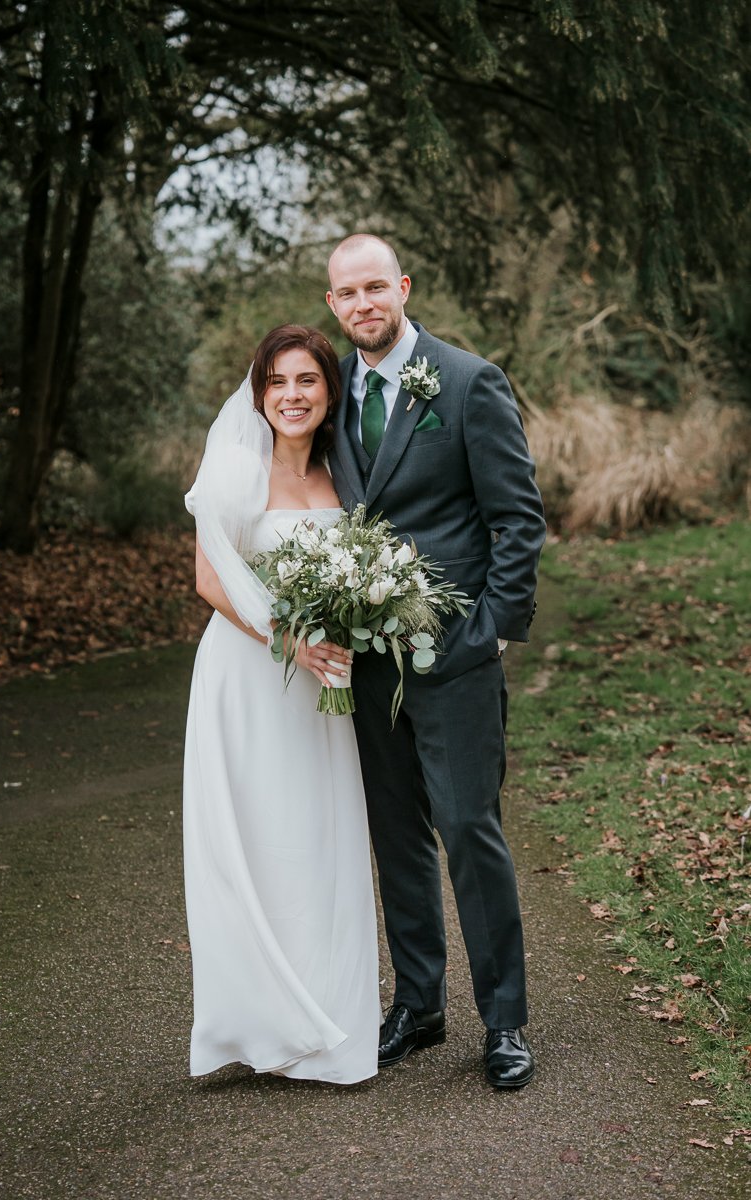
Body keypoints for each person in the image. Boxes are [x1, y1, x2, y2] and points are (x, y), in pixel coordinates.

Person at [326, 234, 546, 1088]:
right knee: (395, 837)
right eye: (346, 295)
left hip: (453, 657)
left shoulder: (467, 381)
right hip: (368, 663)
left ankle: (504, 1021)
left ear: (403, 288)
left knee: (467, 830)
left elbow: (516, 516)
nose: (362, 305)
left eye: (374, 287)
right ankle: (417, 1005)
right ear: (334, 306)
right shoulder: (331, 389)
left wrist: (493, 627)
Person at [182, 325, 380, 1085]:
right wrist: (289, 639)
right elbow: (208, 578)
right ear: (258, 392)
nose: (291, 396)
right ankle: (255, 1022)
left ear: (328, 392)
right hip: (249, 676)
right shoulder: (237, 466)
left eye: (307, 381)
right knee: (254, 841)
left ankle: (328, 1024)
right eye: (277, 383)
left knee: (318, 841)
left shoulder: (341, 471)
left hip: (321, 689)